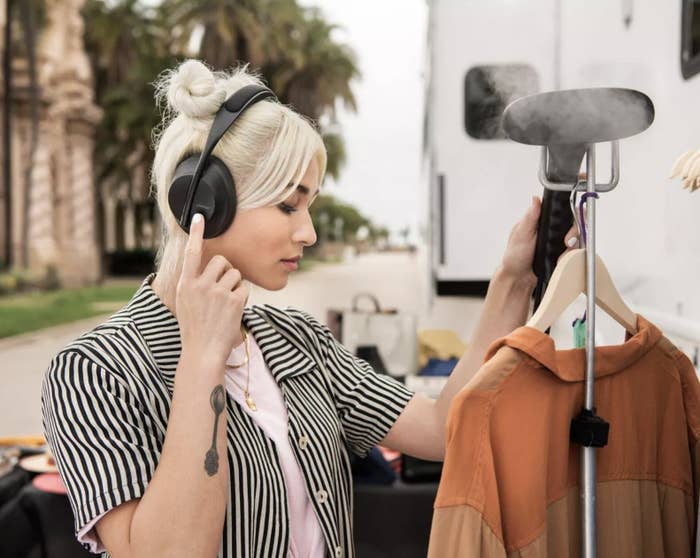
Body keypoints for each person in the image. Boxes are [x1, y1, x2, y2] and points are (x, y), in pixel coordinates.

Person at [41, 59, 577, 558]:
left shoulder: (297, 339)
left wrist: (513, 279)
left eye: (311, 204)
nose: (310, 231)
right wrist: (203, 357)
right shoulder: (93, 372)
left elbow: (442, 429)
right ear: (202, 201)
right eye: (288, 203)